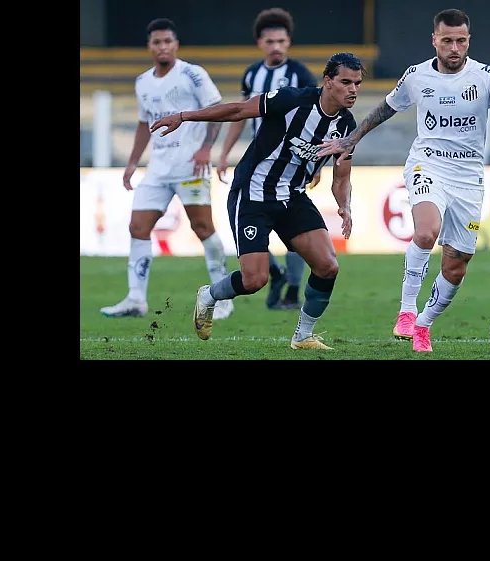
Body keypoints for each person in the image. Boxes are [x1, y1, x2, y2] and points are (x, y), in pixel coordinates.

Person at [316, 9, 490, 353]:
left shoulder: (485, 77)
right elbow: (386, 108)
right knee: (425, 231)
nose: (454, 47)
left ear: (468, 41)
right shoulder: (416, 76)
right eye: (447, 40)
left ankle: (423, 324)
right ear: (434, 39)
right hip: (427, 164)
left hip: (469, 178)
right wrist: (352, 139)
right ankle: (406, 311)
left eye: (460, 41)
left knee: (457, 263)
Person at [149, 52, 362, 350]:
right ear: (328, 82)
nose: (353, 89)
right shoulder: (291, 100)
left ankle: (303, 336)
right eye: (346, 82)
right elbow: (237, 110)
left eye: (357, 83)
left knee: (328, 266)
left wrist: (344, 204)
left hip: (293, 197)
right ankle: (209, 295)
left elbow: (341, 176)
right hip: (253, 193)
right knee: (254, 280)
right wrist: (184, 116)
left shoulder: (347, 126)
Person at [100, 18, 232, 319]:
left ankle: (223, 297)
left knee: (202, 228)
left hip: (190, 166)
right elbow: (144, 124)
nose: (163, 47)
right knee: (138, 228)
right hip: (158, 169)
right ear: (149, 46)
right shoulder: (143, 81)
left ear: (176, 44)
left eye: (168, 41)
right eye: (157, 42)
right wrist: (133, 162)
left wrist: (206, 148)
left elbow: (217, 109)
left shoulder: (193, 74)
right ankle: (135, 299)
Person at [218, 8, 316, 311]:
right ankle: (274, 272)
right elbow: (240, 114)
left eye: (281, 41)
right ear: (260, 42)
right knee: (249, 228)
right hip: (257, 164)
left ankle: (292, 291)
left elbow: (316, 117)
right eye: (270, 41)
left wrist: (314, 163)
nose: (276, 46)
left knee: (297, 228)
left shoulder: (300, 74)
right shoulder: (251, 74)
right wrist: (224, 153)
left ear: (288, 42)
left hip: (292, 165)